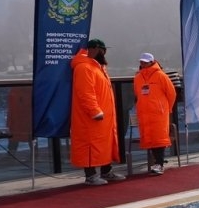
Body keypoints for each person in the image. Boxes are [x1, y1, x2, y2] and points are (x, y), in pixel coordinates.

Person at [70, 38, 123, 185]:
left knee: (103, 145)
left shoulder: (98, 68)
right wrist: (94, 111)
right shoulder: (84, 68)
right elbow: (85, 93)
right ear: (94, 50)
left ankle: (106, 171)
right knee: (89, 145)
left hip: (104, 116)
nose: (104, 53)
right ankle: (91, 175)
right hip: (91, 117)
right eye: (102, 50)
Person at [133, 52, 177, 174]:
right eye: (142, 61)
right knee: (150, 138)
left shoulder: (161, 76)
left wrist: (167, 108)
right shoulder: (138, 77)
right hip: (144, 113)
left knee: (159, 138)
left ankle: (159, 164)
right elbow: (137, 94)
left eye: (145, 62)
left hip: (158, 113)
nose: (143, 63)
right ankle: (157, 163)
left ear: (152, 62)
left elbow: (171, 93)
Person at [6, 85, 32, 154]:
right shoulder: (15, 89)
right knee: (30, 135)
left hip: (18, 119)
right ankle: (34, 154)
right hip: (23, 119)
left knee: (15, 135)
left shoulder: (15, 89)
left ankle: (11, 154)